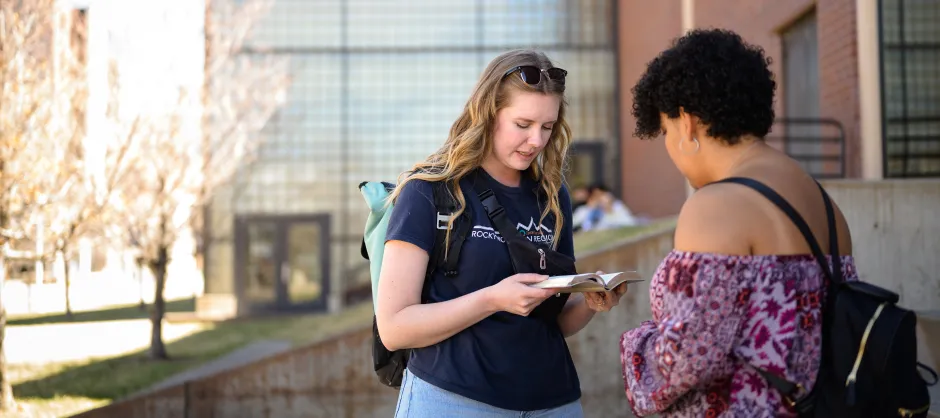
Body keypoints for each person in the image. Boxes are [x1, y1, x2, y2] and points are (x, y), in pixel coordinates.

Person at [619, 29, 858, 417]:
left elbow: (685, 360)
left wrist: (638, 343)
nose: (668, 146)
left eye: (665, 130)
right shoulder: (822, 201)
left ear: (687, 122)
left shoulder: (715, 205)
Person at [376, 49, 628, 417]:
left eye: (547, 127)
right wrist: (492, 299)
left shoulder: (552, 195)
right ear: (488, 114)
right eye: (523, 125)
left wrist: (590, 302)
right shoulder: (429, 191)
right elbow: (395, 328)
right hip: (453, 401)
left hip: (553, 402)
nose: (538, 141)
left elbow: (552, 322)